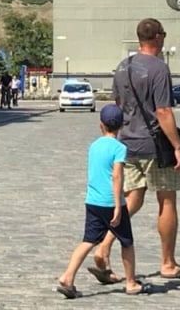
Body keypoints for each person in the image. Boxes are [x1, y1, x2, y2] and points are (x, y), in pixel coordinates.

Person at [91, 18, 180, 282]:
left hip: (126, 143)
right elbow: (163, 111)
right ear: (158, 37)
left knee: (131, 201)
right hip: (154, 145)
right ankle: (168, 263)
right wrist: (178, 147)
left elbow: (117, 105)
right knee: (167, 199)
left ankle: (103, 247)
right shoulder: (159, 68)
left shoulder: (122, 67)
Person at [56, 104, 148, 299]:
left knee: (88, 240)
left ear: (101, 126)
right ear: (121, 126)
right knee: (127, 242)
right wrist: (118, 204)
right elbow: (116, 176)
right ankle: (131, 282)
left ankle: (67, 276)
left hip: (92, 200)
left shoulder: (94, 145)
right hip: (110, 202)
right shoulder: (120, 148)